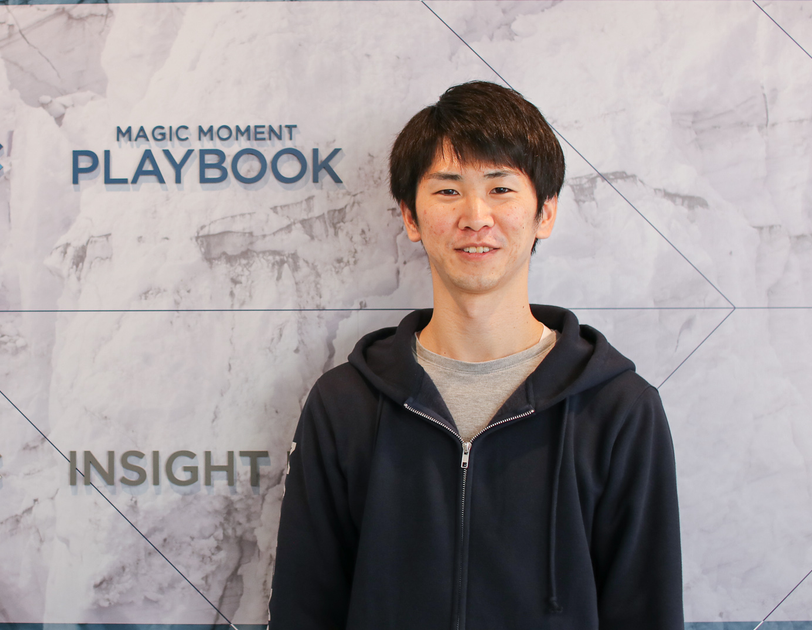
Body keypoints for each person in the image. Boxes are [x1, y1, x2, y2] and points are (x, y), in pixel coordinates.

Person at [269, 81, 683, 629]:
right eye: (448, 190)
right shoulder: (344, 405)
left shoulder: (618, 409)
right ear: (410, 217)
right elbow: (303, 610)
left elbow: (647, 612)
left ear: (545, 213)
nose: (476, 216)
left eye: (501, 188)